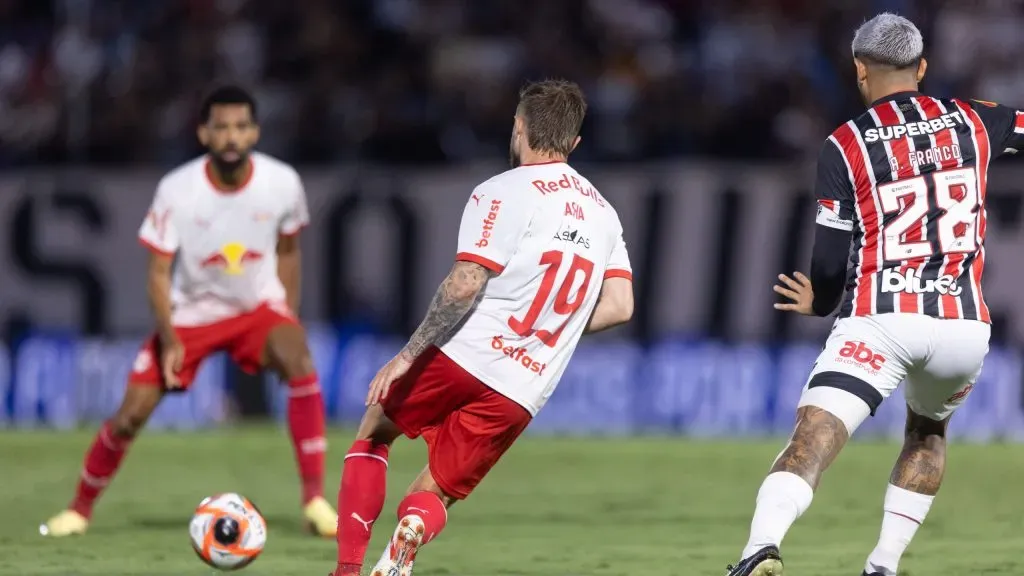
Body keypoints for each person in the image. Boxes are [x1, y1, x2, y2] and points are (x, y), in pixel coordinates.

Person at [727, 13, 1024, 576]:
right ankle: (883, 565)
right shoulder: (977, 121)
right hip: (963, 327)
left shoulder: (845, 145)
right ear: (924, 68)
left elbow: (830, 263)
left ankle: (759, 547)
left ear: (859, 70)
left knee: (814, 435)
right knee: (928, 432)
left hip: (881, 318)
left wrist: (821, 300)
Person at [331, 79, 635, 576]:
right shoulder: (605, 214)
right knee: (437, 490)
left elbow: (465, 283)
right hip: (525, 383)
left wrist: (406, 355)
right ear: (575, 143)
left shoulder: (501, 189)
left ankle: (346, 571)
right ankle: (402, 545)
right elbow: (620, 305)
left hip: (465, 351)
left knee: (374, 432)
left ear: (518, 128)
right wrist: (549, 329)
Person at [40, 85, 339, 538]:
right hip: (189, 317)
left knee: (299, 355)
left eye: (241, 127)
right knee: (130, 415)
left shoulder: (282, 183)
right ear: (204, 134)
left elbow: (290, 250)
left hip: (257, 310)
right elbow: (158, 274)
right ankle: (79, 510)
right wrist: (171, 338)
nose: (232, 137)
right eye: (221, 128)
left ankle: (315, 500)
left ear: (255, 131)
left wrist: (286, 314)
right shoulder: (177, 189)